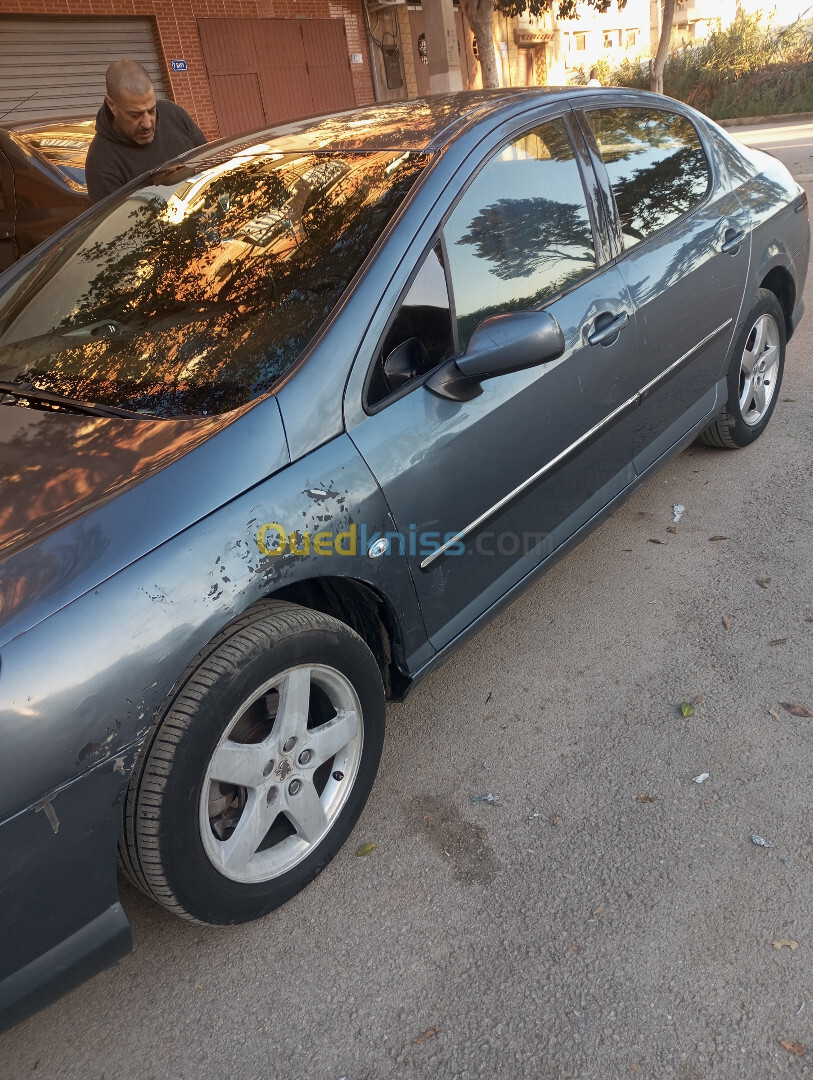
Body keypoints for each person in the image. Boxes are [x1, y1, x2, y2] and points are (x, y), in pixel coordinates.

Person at [85, 59, 207, 203]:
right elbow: (120, 223)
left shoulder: (174, 114)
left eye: (151, 110)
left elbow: (210, 165)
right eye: (135, 115)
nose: (147, 123)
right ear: (112, 105)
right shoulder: (101, 162)